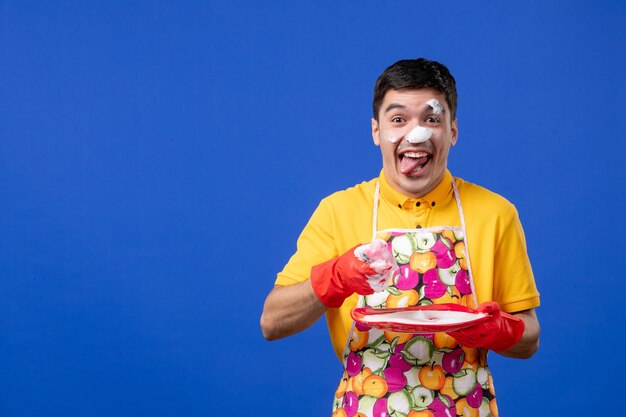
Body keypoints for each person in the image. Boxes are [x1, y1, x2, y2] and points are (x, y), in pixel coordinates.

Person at [260, 58, 540, 417]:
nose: (416, 134)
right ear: (376, 131)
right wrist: (335, 278)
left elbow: (530, 338)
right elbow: (272, 322)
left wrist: (498, 330)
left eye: (431, 119)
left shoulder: (496, 213)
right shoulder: (338, 211)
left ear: (452, 131)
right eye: (398, 119)